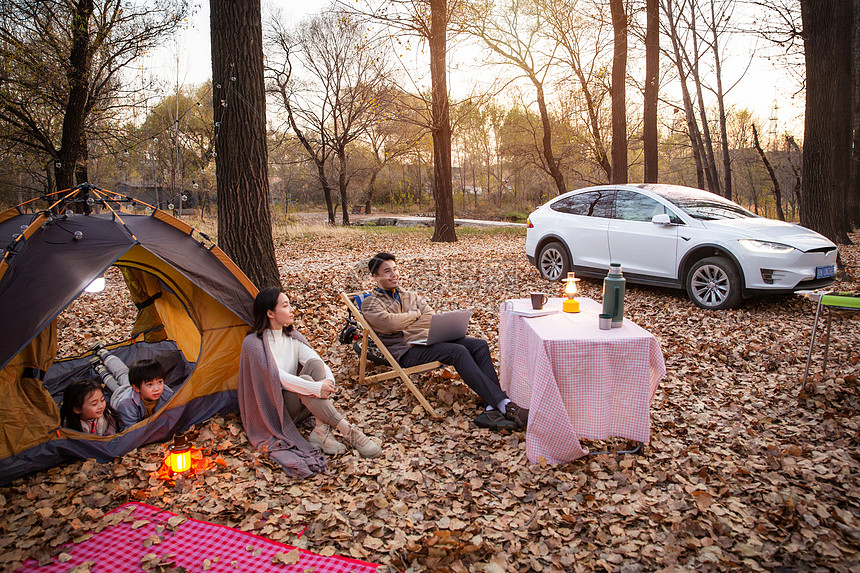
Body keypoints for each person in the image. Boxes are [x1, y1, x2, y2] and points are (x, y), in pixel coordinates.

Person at [361, 252, 529, 431]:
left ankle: (493, 404)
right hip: (406, 352)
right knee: (458, 351)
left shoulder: (409, 295)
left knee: (479, 345)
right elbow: (389, 323)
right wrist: (414, 315)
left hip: (426, 341)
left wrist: (405, 323)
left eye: (395, 269)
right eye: (387, 271)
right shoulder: (370, 303)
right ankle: (504, 404)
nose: (394, 274)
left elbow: (430, 317)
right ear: (375, 277)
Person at [238, 287, 381, 478]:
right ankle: (349, 431)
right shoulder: (253, 344)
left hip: (301, 404)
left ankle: (321, 432)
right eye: (286, 305)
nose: (292, 310)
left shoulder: (292, 338)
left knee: (314, 365)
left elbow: (318, 362)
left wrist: (328, 381)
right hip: (276, 412)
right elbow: (277, 377)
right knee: (305, 380)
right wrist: (315, 387)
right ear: (270, 313)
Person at [110, 358, 175, 429]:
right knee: (120, 376)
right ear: (136, 388)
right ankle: (102, 356)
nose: (157, 389)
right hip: (118, 395)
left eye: (160, 382)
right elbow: (129, 430)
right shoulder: (126, 404)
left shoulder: (166, 392)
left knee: (124, 377)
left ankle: (101, 369)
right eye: (150, 384)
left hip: (134, 388)